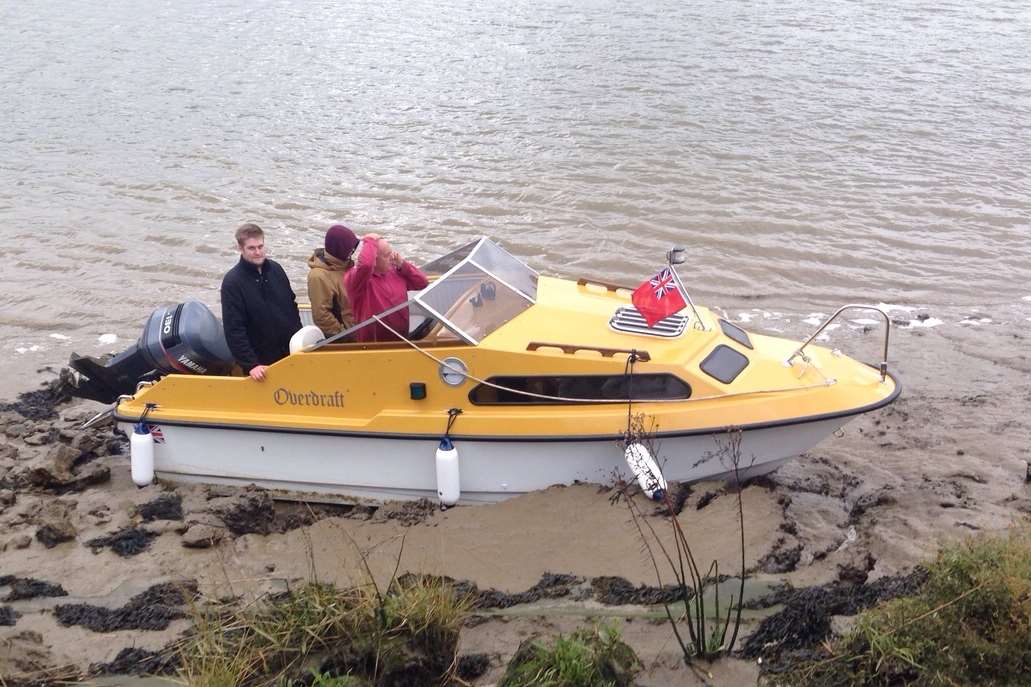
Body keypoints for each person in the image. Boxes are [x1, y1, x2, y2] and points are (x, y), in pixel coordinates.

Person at [220, 223, 302, 381]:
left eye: (260, 246)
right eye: (251, 248)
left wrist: (298, 341)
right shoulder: (232, 283)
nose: (258, 252)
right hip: (261, 366)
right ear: (240, 248)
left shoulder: (276, 270)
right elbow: (234, 329)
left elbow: (292, 306)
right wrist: (251, 365)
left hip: (290, 354)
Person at [344, 233, 429, 342]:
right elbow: (366, 265)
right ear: (374, 259)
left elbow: (422, 283)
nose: (391, 258)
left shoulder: (396, 271)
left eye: (391, 253)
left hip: (401, 339)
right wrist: (369, 240)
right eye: (386, 255)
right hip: (374, 345)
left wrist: (403, 264)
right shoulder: (357, 280)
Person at [307, 224, 358, 337]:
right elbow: (321, 316)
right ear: (340, 249)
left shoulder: (345, 267)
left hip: (356, 331)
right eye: (350, 249)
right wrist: (344, 335)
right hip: (343, 338)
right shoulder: (318, 276)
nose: (352, 252)